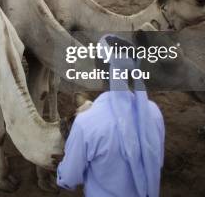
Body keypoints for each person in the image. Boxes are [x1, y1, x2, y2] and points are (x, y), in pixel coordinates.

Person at [56, 35, 164, 197]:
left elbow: (69, 179)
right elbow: (157, 160)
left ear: (98, 69)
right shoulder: (154, 113)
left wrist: (68, 149)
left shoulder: (86, 124)